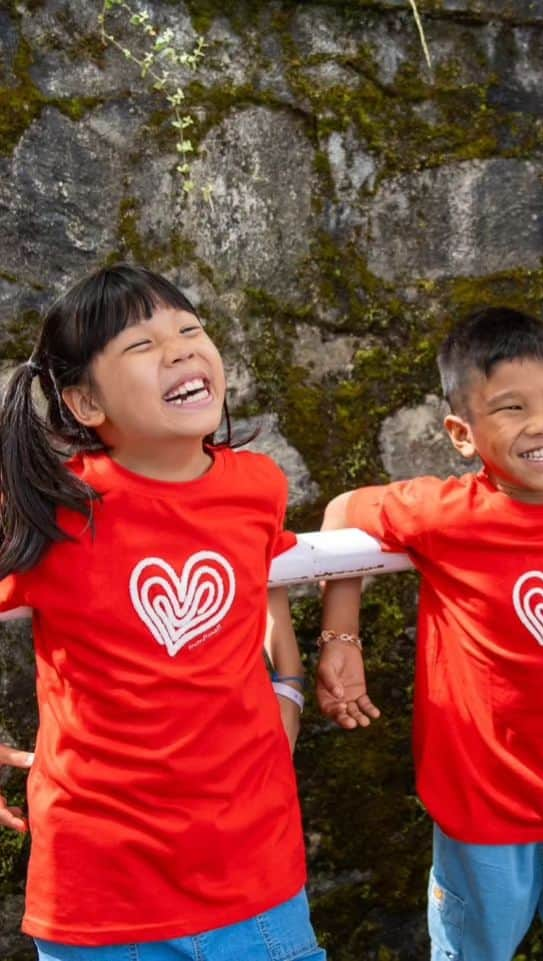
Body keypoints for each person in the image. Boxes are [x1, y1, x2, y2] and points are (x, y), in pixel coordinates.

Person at [315, 307, 543, 961]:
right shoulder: (446, 514)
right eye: (511, 408)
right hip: (483, 807)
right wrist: (341, 642)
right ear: (462, 433)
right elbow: (344, 513)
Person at [0, 264, 324, 960]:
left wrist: (288, 685)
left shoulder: (258, 486)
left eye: (190, 329)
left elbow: (257, 581)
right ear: (86, 401)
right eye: (141, 345)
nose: (179, 348)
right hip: (99, 896)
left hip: (256, 878)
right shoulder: (52, 514)